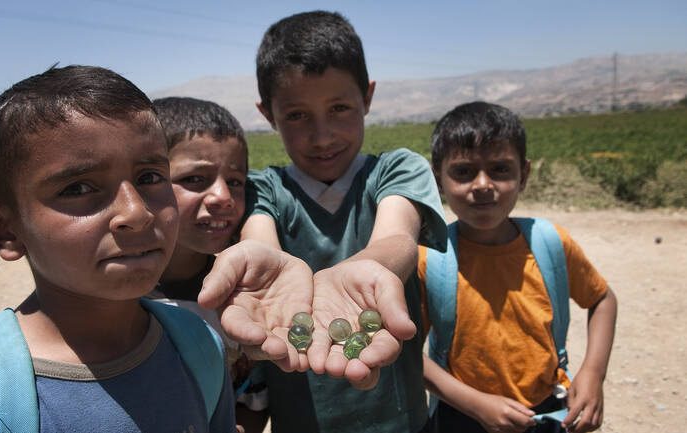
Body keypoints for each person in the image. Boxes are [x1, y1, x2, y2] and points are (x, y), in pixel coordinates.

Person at [0, 65, 237, 432]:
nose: (136, 213)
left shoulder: (198, 348)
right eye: (78, 188)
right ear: (3, 230)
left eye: (149, 178)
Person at [239, 10, 448, 433]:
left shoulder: (397, 170)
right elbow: (260, 243)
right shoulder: (264, 189)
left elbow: (397, 237)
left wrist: (367, 268)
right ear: (267, 114)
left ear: (367, 97)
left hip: (401, 422)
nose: (323, 136)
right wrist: (264, 270)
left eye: (339, 108)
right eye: (297, 115)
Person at [419, 101, 618, 433]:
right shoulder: (430, 259)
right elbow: (406, 354)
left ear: (523, 175)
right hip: (461, 414)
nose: (483, 184)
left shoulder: (551, 243)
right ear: (438, 180)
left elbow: (602, 299)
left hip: (548, 410)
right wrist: (475, 403)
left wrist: (594, 373)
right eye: (464, 172)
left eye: (500, 169)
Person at [146, 96, 268, 432]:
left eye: (235, 182)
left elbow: (252, 399)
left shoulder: (240, 301)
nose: (222, 197)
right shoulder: (116, 302)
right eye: (195, 179)